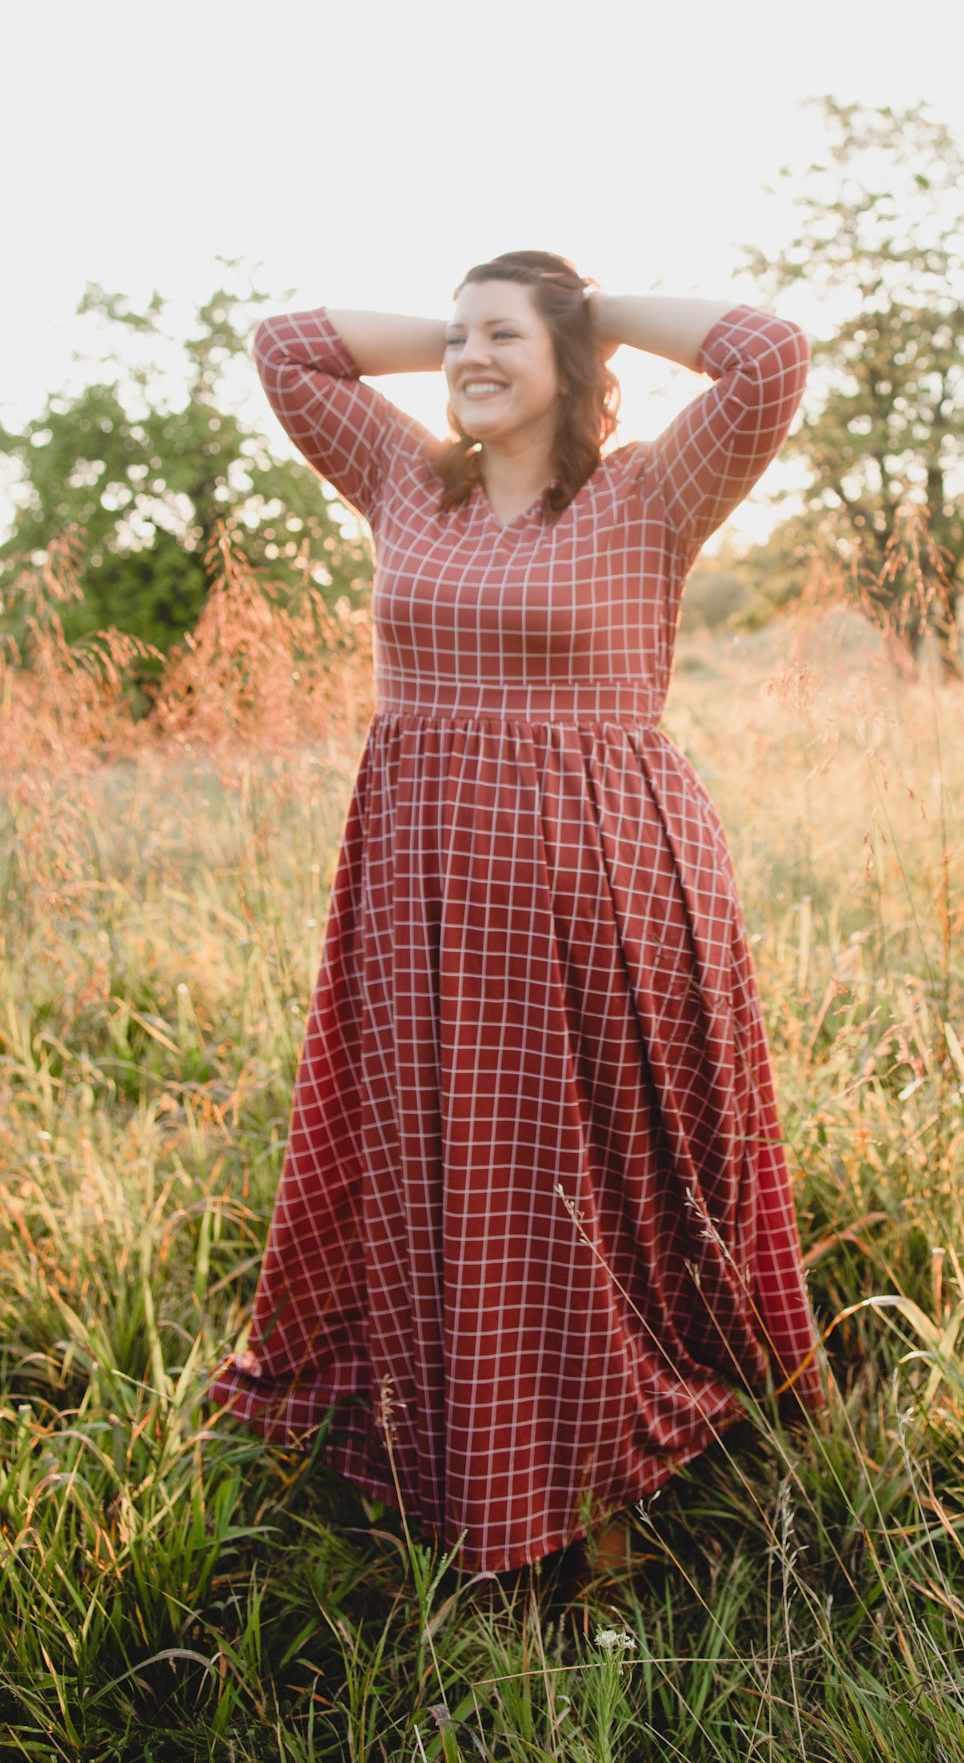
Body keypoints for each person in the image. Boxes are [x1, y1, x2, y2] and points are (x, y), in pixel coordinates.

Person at [211, 251, 822, 1578]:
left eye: (502, 339)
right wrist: (471, 330)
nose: (468, 359)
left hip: (601, 886)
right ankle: (469, 1448)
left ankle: (601, 1469)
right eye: (454, 336)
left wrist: (584, 307)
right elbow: (285, 347)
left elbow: (767, 353)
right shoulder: (399, 480)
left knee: (580, 1188)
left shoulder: (649, 494)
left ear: (572, 361)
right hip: (424, 893)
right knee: (447, 1169)